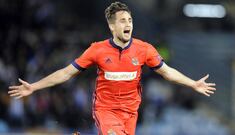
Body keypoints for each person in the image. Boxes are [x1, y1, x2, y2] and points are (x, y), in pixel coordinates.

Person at [8, 2, 216, 135]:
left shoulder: (145, 49)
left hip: (131, 113)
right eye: (123, 20)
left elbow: (167, 72)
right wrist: (34, 86)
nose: (128, 24)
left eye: (130, 20)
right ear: (112, 26)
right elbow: (65, 73)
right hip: (105, 110)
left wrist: (193, 83)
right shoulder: (97, 50)